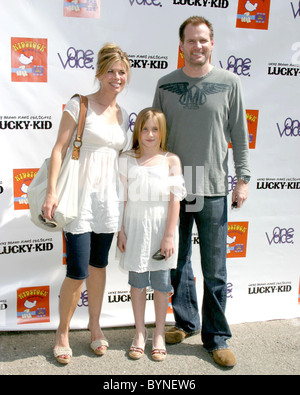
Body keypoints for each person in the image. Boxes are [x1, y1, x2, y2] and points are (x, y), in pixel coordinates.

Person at [152, 16, 251, 367]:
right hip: (178, 188)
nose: (197, 46)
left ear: (212, 44)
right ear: (181, 45)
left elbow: (239, 134)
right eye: (191, 41)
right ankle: (186, 321)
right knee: (177, 263)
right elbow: (155, 138)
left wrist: (243, 178)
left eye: (203, 40)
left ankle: (217, 337)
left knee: (215, 269)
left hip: (210, 187)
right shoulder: (165, 85)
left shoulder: (229, 83)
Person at [42, 43, 131, 364]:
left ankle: (95, 326)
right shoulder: (79, 104)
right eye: (110, 71)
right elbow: (58, 149)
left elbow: (120, 161)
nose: (116, 77)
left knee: (98, 267)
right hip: (78, 201)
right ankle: (62, 333)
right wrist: (52, 192)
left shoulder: (122, 114)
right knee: (77, 271)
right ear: (99, 73)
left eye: (122, 72)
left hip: (109, 202)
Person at [117, 108, 186, 362]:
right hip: (134, 225)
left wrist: (168, 235)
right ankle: (139, 333)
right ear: (138, 131)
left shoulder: (171, 160)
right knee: (137, 281)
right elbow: (121, 198)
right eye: (145, 128)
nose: (149, 134)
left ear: (162, 132)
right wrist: (121, 231)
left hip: (160, 227)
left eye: (155, 129)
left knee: (160, 283)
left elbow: (175, 200)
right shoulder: (125, 158)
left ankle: (158, 332)